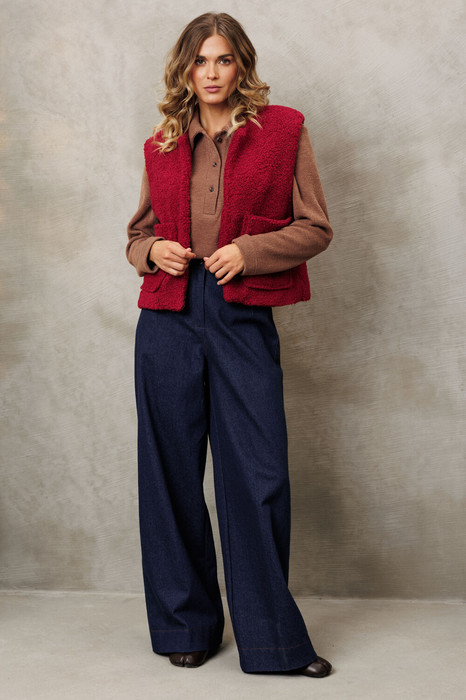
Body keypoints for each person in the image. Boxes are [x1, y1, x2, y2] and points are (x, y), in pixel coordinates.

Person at [126, 12, 333, 678]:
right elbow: (137, 235)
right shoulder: (161, 142)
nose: (210, 73)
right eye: (199, 61)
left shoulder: (284, 131)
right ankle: (185, 625)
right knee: (169, 475)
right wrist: (151, 251)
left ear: (241, 64)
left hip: (241, 314)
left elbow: (316, 227)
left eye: (222, 59)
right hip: (168, 317)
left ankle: (271, 641)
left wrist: (249, 251)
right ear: (184, 70)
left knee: (259, 474)